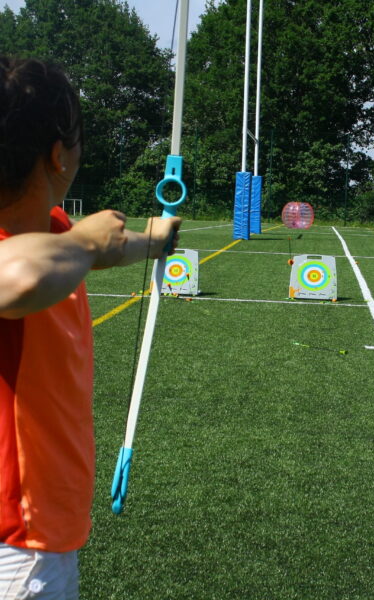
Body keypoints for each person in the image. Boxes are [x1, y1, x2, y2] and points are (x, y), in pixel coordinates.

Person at [0, 56, 181, 599]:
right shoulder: (39, 254)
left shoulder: (52, 233)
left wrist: (155, 236)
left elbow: (83, 251)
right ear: (59, 155)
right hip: (17, 541)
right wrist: (83, 243)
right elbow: (23, 274)